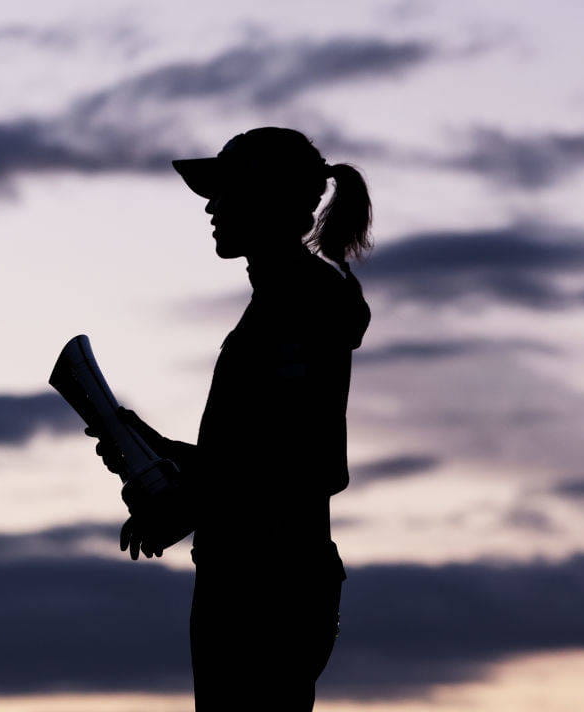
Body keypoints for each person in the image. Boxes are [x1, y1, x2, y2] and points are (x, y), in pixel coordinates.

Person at [85, 126, 372, 710]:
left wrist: (185, 501)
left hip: (267, 588)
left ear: (267, 200)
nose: (212, 207)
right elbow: (254, 458)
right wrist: (157, 450)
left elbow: (301, 464)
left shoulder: (298, 305)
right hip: (254, 579)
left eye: (227, 192)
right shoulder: (283, 301)